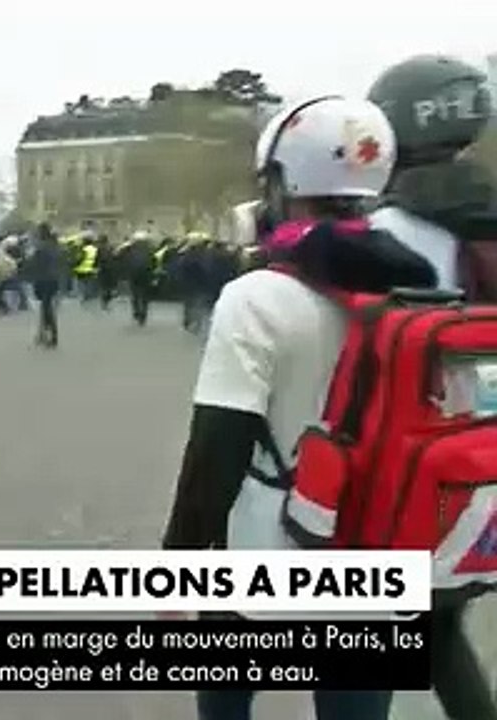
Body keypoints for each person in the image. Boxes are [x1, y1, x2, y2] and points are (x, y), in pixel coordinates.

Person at [161, 96, 436, 720]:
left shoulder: (256, 296)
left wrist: (179, 561)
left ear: (285, 183)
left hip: (267, 543)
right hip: (378, 541)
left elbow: (216, 447)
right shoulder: (421, 283)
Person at [367, 54, 497, 720]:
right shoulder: (488, 209)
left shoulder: (390, 229)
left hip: (422, 456)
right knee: (438, 623)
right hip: (487, 449)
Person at [28, 223, 63, 347]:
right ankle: (44, 335)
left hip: (44, 280)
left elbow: (35, 264)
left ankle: (51, 336)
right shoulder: (56, 245)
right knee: (46, 307)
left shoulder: (41, 247)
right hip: (54, 280)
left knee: (46, 308)